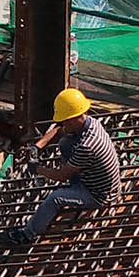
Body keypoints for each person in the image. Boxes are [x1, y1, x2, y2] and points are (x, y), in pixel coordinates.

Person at [13, 88, 121, 247]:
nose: (63, 124)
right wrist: (37, 146)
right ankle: (74, 178)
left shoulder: (87, 146)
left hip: (99, 195)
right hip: (99, 181)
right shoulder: (91, 122)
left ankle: (27, 234)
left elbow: (61, 176)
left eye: (65, 121)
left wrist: (36, 168)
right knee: (65, 142)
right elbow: (58, 132)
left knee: (55, 198)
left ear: (72, 119)